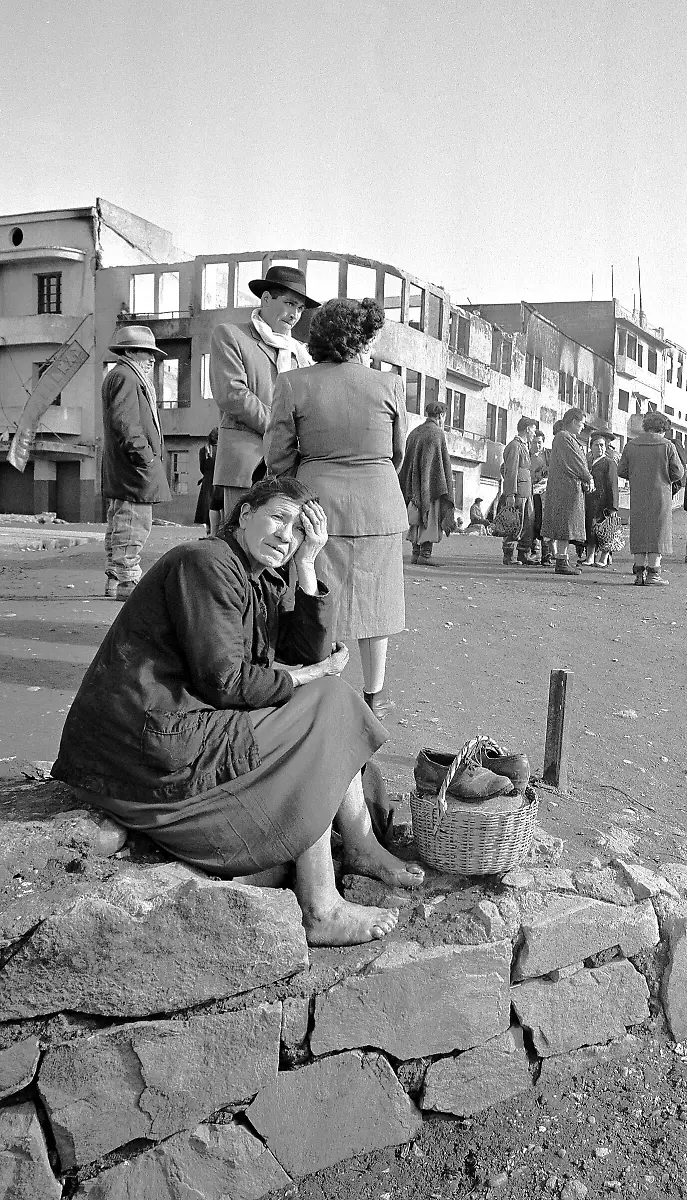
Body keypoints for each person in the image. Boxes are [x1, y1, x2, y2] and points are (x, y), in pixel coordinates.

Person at [50, 476, 423, 947]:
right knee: (325, 704)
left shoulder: (254, 573)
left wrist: (308, 563)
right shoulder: (205, 563)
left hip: (179, 726)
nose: (287, 536)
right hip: (150, 741)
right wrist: (307, 677)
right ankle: (322, 903)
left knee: (326, 700)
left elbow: (302, 654)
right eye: (279, 519)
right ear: (246, 515)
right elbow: (224, 680)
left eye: (299, 530)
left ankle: (360, 846)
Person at [266, 297, 407, 720]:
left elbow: (277, 456)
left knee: (316, 596)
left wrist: (311, 475)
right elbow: (397, 452)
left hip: (316, 506)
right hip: (379, 506)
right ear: (360, 339)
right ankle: (375, 695)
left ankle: (324, 690)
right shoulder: (389, 385)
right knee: (376, 603)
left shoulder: (292, 382)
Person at [212, 265, 318, 517]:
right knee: (238, 543)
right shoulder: (231, 335)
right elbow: (233, 395)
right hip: (246, 466)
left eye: (300, 308)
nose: (294, 315)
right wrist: (282, 429)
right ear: (266, 298)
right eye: (289, 304)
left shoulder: (300, 353)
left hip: (289, 468)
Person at [100, 325, 171, 600]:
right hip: (134, 468)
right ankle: (126, 581)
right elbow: (125, 423)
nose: (152, 359)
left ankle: (115, 580)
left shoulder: (121, 375)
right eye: (146, 352)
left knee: (121, 521)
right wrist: (146, 457)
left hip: (128, 467)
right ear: (130, 351)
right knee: (133, 524)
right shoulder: (127, 376)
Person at [618, 410, 686, 586]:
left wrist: (636, 476)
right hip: (660, 495)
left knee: (639, 531)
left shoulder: (631, 445)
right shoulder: (667, 445)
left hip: (638, 495)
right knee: (658, 532)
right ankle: (653, 574)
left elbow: (621, 470)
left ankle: (639, 573)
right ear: (663, 429)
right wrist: (665, 478)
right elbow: (678, 472)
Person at [399, 400, 455, 567]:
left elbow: (406, 462)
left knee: (417, 518)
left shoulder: (414, 432)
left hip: (414, 487)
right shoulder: (437, 433)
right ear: (441, 415)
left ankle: (415, 553)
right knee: (430, 519)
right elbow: (440, 465)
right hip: (432, 486)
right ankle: (425, 553)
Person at [542, 407, 594, 576]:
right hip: (565, 488)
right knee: (565, 524)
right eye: (581, 423)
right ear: (573, 421)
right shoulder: (564, 437)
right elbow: (576, 462)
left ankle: (563, 559)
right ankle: (561, 561)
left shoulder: (566, 438)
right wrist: (588, 477)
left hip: (568, 487)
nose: (582, 427)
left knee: (566, 525)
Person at [500, 416, 537, 566]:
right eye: (533, 430)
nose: (534, 434)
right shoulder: (515, 446)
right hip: (518, 492)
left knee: (527, 524)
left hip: (526, 491)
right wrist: (510, 493)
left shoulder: (524, 446)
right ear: (527, 429)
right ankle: (508, 556)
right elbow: (510, 470)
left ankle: (523, 554)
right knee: (514, 523)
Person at [583, 432, 620, 568]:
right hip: (590, 501)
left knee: (606, 530)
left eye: (602, 445)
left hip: (604, 503)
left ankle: (604, 557)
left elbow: (613, 486)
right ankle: (590, 556)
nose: (600, 448)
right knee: (591, 530)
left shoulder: (609, 463)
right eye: (597, 445)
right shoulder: (588, 463)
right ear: (591, 447)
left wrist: (613, 507)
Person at [193, 428, 223, 535]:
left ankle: (209, 531)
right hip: (219, 480)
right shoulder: (222, 449)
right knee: (219, 506)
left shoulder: (204, 450)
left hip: (207, 481)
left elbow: (202, 468)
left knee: (207, 506)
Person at [529, 429, 550, 564]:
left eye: (540, 442)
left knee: (545, 522)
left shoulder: (549, 455)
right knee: (532, 522)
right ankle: (534, 551)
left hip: (546, 494)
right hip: (530, 493)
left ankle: (546, 554)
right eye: (535, 442)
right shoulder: (526, 454)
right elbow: (504, 468)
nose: (537, 445)